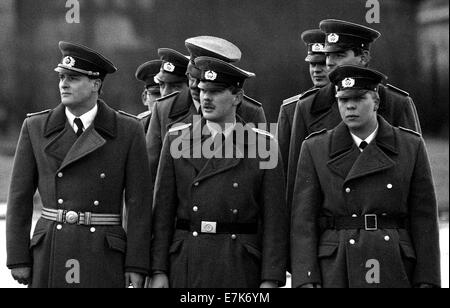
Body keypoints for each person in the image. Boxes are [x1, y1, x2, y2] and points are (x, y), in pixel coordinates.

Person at [6, 41, 152, 288]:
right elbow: (19, 198)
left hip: (104, 252)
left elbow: (139, 204)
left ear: (96, 84)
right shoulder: (35, 128)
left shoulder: (127, 130)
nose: (63, 84)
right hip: (52, 248)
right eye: (62, 77)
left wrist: (136, 264)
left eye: (73, 78)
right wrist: (18, 257)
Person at [291, 65, 440, 288]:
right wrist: (306, 279)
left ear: (376, 102)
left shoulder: (410, 146)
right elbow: (304, 221)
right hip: (337, 264)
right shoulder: (316, 148)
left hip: (394, 261)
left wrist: (428, 279)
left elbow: (424, 218)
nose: (350, 106)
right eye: (342, 99)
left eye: (359, 98)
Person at [150, 56, 288, 288]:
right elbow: (163, 213)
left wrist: (270, 279)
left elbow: (274, 221)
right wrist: (158, 270)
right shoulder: (177, 139)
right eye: (203, 90)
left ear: (237, 97)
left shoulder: (263, 146)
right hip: (187, 262)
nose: (206, 98)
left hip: (239, 265)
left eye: (215, 92)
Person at [286, 19, 422, 212]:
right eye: (327, 55)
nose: (330, 62)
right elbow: (296, 188)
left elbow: (416, 178)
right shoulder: (308, 108)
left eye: (339, 54)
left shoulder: (395, 104)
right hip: (332, 232)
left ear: (364, 57)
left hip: (385, 228)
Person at [145, 36, 267, 209]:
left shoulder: (251, 112)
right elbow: (151, 176)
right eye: (191, 78)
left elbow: (263, 180)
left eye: (201, 81)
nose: (194, 86)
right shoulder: (164, 110)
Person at [277, 28, 329, 177]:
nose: (316, 70)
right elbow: (283, 169)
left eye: (323, 64)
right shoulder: (291, 109)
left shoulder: (353, 105)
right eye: (313, 65)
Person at [135, 59, 163, 133]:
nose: (162, 99)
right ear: (144, 98)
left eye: (169, 95)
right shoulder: (136, 127)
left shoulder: (189, 122)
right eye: (157, 94)